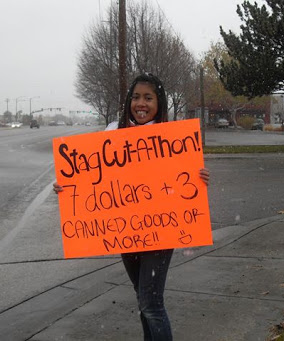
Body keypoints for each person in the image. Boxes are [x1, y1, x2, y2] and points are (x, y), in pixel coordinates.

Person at [54, 73, 210, 341]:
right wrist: (67, 186)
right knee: (143, 299)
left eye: (148, 98)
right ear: (129, 100)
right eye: (136, 97)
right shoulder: (113, 134)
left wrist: (200, 178)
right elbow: (91, 175)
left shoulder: (172, 138)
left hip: (161, 232)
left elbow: (182, 183)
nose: (141, 103)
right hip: (125, 232)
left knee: (151, 304)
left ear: (159, 102)